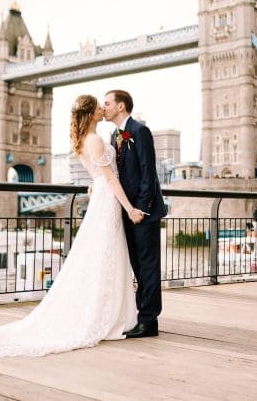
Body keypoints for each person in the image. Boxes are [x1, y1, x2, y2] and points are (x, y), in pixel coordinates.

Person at [0, 94, 143, 356]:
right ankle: (110, 315)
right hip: (108, 202)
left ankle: (109, 311)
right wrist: (130, 209)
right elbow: (110, 178)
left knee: (103, 257)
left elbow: (99, 175)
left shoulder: (85, 140)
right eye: (97, 107)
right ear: (89, 113)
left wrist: (96, 183)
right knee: (107, 256)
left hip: (102, 200)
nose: (101, 110)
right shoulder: (94, 140)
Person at [103, 89, 167, 338]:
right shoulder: (114, 136)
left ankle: (149, 320)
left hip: (143, 212)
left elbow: (148, 173)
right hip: (126, 211)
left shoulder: (140, 131)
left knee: (148, 266)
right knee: (138, 267)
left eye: (107, 103)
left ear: (121, 106)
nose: (103, 107)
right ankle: (142, 315)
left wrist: (140, 208)